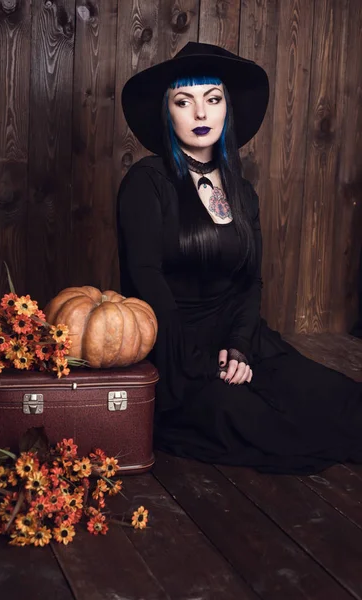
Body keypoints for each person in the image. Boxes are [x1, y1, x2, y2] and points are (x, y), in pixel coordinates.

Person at [116, 42, 362, 475]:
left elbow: (251, 283)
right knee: (262, 425)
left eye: (212, 99)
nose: (200, 114)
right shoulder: (147, 181)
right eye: (183, 101)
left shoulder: (242, 192)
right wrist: (198, 363)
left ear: (226, 108)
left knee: (336, 400)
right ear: (166, 111)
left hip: (240, 339)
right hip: (177, 353)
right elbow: (144, 278)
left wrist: (240, 349)